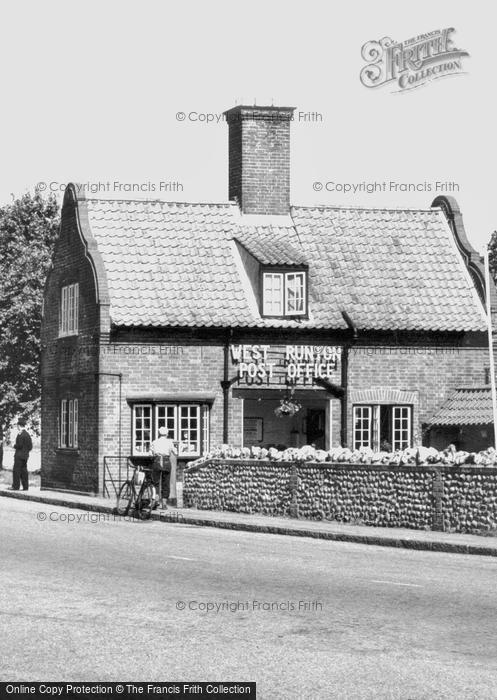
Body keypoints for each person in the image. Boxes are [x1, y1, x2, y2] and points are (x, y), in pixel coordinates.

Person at [149, 427, 177, 508]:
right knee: (166, 482)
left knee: (155, 482)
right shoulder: (169, 442)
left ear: (159, 433)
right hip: (166, 462)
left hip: (157, 461)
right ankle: (164, 503)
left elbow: (150, 453)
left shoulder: (154, 442)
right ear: (167, 434)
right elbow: (175, 452)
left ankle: (156, 499)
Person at [10, 418, 33, 491]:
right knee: (24, 471)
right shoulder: (27, 435)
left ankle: (15, 486)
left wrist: (13, 445)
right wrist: (25, 452)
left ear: (19, 426)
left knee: (16, 471)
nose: (17, 427)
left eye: (17, 425)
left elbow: (19, 445)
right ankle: (25, 487)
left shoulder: (20, 434)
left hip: (19, 456)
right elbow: (30, 447)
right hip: (25, 456)